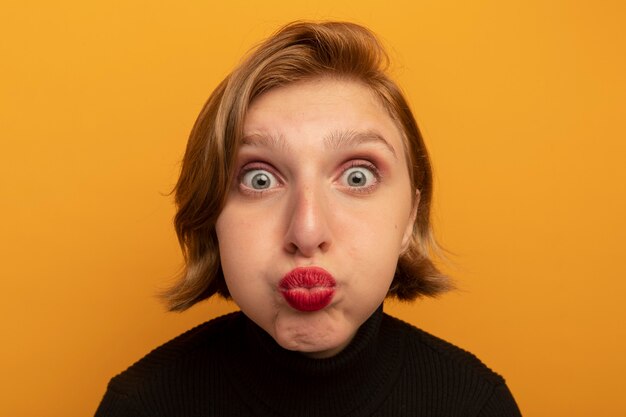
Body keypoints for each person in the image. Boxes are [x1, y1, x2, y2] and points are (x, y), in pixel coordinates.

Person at [95, 21, 522, 416]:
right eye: (259, 179)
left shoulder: (476, 405)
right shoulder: (142, 406)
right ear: (211, 216)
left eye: (358, 176)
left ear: (410, 217)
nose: (307, 231)